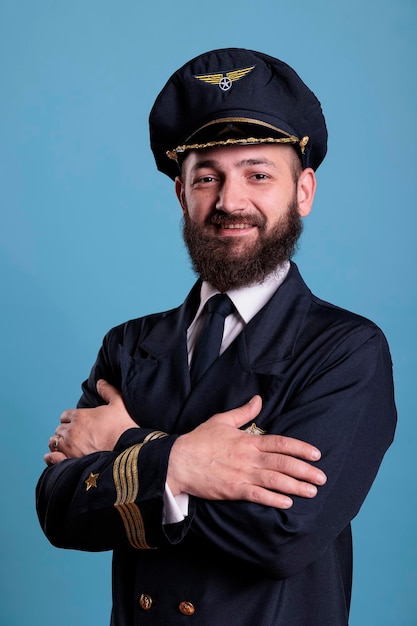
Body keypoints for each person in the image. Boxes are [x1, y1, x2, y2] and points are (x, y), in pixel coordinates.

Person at [36, 48, 396, 625]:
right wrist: (183, 463)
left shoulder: (347, 351)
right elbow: (58, 508)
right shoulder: (128, 345)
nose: (231, 202)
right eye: (208, 177)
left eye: (258, 174)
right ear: (181, 194)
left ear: (302, 191)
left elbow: (282, 534)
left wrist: (131, 446)